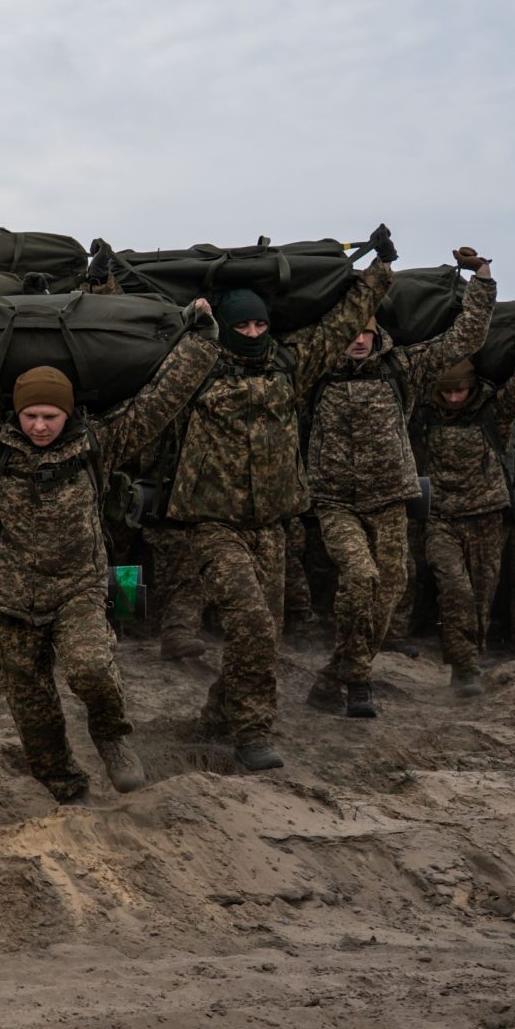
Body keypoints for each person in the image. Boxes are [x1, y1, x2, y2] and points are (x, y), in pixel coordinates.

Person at [0, 299, 219, 802]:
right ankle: (64, 785)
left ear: (67, 412)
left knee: (91, 669)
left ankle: (112, 738)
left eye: (50, 415)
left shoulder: (100, 443)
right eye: (30, 415)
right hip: (7, 596)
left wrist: (201, 338)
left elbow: (162, 399)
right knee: (32, 705)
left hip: (79, 588)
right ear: (16, 411)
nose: (39, 426)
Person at [158, 235, 395, 770]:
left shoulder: (289, 364)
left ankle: (217, 717)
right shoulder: (197, 366)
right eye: (242, 326)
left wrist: (380, 269)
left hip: (273, 527)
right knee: (253, 628)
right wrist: (188, 321)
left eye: (260, 324)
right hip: (213, 525)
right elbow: (144, 346)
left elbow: (343, 321)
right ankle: (252, 733)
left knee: (262, 634)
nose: (252, 333)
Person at [304, 247, 498, 716]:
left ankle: (334, 676)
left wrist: (483, 278)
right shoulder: (315, 370)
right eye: (350, 333)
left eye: (365, 333)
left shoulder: (402, 368)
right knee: (360, 579)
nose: (357, 341)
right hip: (336, 501)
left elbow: (463, 339)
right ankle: (360, 680)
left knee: (389, 592)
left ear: (377, 335)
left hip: (390, 500)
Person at [417, 302, 515, 694]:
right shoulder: (424, 411)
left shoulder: (495, 410)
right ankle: (463, 668)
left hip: (487, 517)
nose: (455, 399)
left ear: (473, 386)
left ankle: (469, 659)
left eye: (461, 390)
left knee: (480, 596)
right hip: (441, 516)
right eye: (448, 392)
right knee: (454, 588)